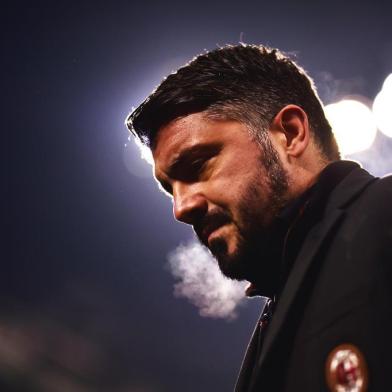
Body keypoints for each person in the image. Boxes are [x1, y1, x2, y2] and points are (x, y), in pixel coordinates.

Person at [126, 44, 392, 391]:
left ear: (290, 134)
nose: (181, 208)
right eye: (169, 188)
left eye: (197, 165)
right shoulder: (285, 294)